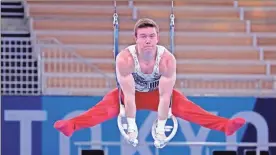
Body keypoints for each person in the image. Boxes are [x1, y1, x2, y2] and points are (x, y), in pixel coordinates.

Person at [54, 18, 246, 143]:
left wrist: (161, 130)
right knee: (104, 109)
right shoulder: (125, 59)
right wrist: (132, 127)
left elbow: (165, 98)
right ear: (135, 38)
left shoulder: (167, 60)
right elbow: (128, 95)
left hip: (158, 95)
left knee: (188, 108)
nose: (148, 40)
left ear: (157, 38)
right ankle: (71, 125)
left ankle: (226, 125)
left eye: (152, 36)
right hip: (131, 94)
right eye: (143, 36)